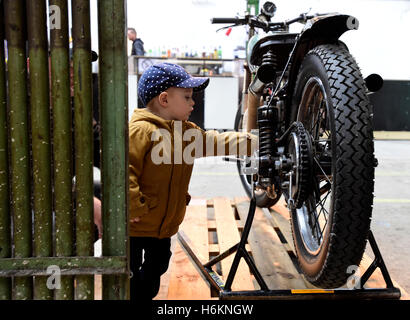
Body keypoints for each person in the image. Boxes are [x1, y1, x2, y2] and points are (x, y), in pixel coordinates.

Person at [129, 62, 258, 300]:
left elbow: (217, 141)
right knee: (130, 271)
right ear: (164, 99)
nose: (193, 102)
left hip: (164, 225)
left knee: (158, 266)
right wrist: (133, 205)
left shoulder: (186, 134)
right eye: (187, 97)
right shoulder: (140, 131)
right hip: (135, 225)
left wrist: (254, 142)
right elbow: (125, 171)